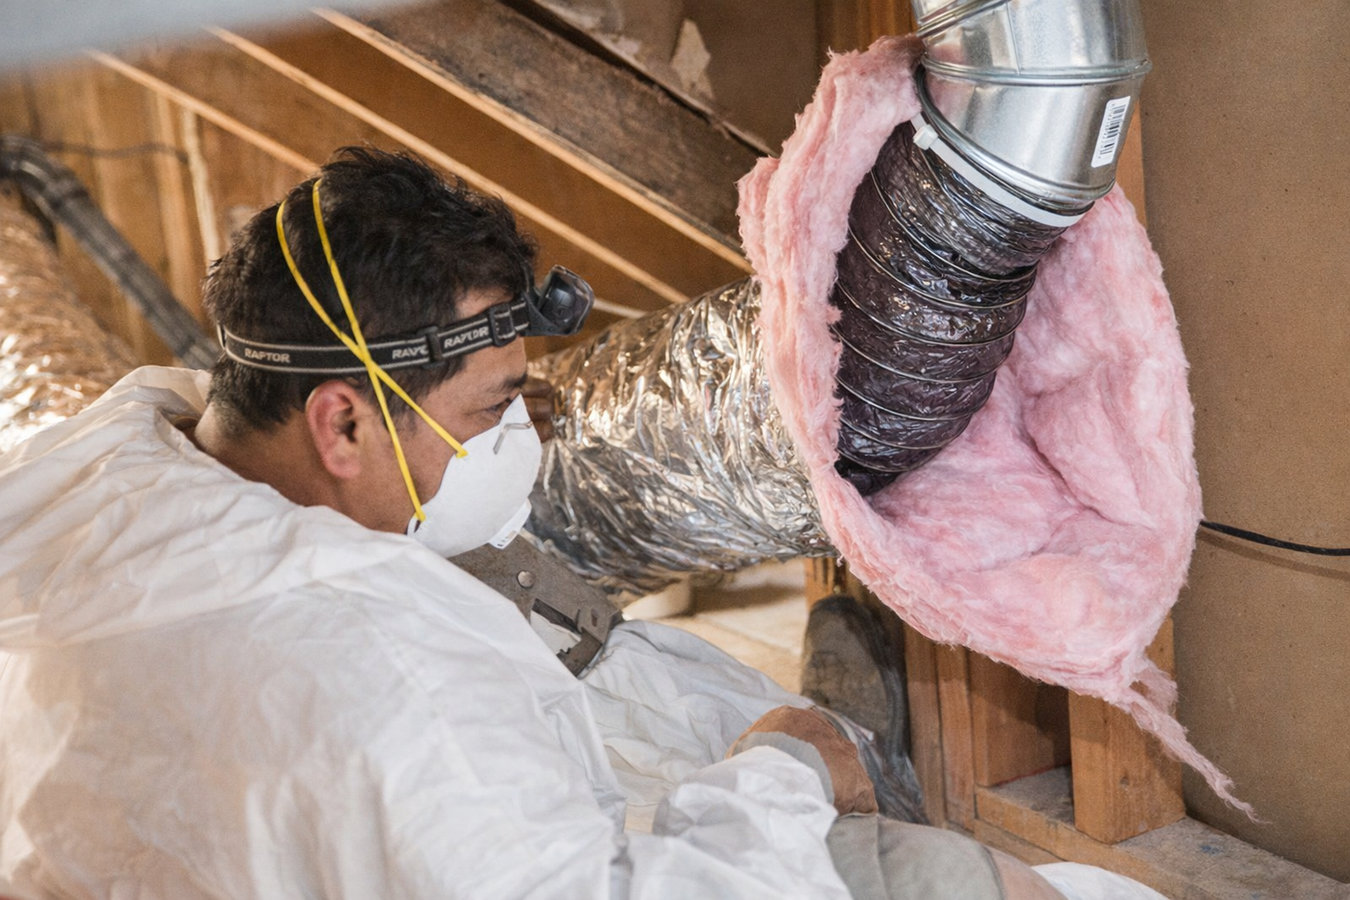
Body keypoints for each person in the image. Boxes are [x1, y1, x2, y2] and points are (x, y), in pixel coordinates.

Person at [0, 147, 1162, 900]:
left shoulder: (105, 483)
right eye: (494, 411)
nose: (526, 440)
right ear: (340, 425)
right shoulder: (390, 692)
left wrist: (467, 421)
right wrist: (778, 773)